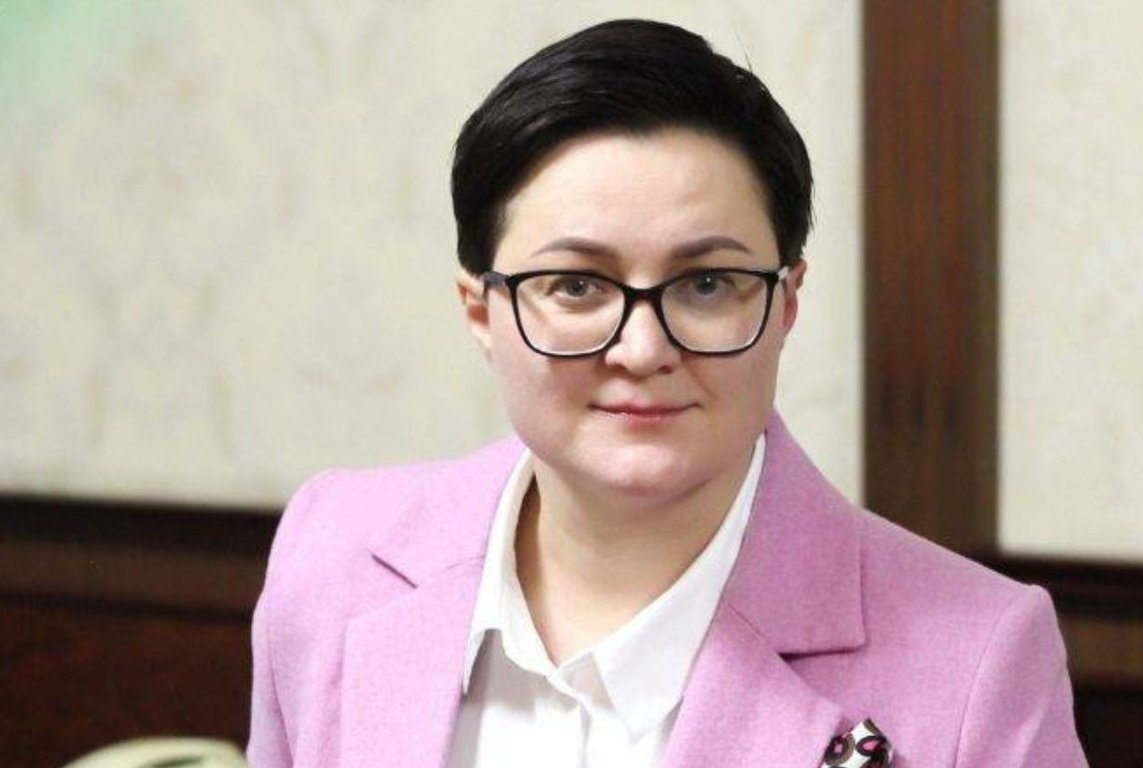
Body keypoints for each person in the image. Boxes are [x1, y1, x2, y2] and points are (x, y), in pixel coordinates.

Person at [247, 18, 1088, 768]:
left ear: (785, 303)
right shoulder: (334, 556)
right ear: (481, 310)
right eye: (577, 286)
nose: (643, 350)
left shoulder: (978, 657)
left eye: (707, 284)